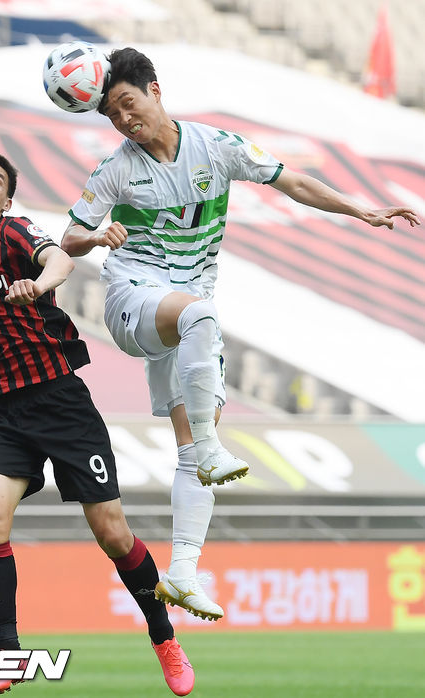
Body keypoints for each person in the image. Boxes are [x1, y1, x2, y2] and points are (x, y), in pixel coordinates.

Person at [61, 47, 421, 622]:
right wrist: (97, 237)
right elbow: (69, 239)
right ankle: (209, 447)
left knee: (190, 441)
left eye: (128, 104)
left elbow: (294, 182)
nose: (124, 120)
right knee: (202, 323)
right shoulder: (116, 170)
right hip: (136, 304)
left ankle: (181, 572)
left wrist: (363, 211)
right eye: (112, 115)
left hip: (187, 318)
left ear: (156, 89)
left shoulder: (216, 147)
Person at [0, 151, 195, 698]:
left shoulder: (13, 233)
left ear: (6, 199)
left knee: (112, 534)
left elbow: (60, 259)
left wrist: (38, 285)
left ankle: (163, 636)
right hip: (0, 413)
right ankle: (8, 655)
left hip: (60, 402)